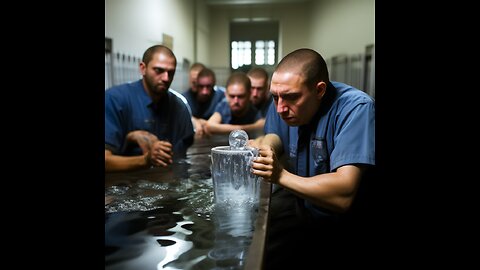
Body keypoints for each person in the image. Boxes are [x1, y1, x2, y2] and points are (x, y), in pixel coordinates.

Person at [250, 48, 375, 268]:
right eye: (275, 97)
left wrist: (279, 174)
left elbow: (343, 193)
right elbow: (275, 134)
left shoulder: (355, 108)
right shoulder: (282, 100)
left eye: (291, 97)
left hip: (344, 226)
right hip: (305, 214)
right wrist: (268, 147)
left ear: (319, 90)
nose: (280, 108)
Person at [105, 45, 194, 172]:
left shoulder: (179, 107)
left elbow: (181, 158)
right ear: (143, 68)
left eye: (171, 72)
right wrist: (145, 159)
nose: (166, 78)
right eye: (159, 70)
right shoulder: (114, 100)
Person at [205, 71, 264, 137]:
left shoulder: (254, 110)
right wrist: (242, 129)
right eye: (232, 96)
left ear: (249, 94)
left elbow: (261, 125)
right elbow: (210, 126)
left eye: (241, 96)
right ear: (226, 95)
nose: (236, 101)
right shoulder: (223, 106)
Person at [182, 67, 225, 137]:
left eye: (208, 86)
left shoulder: (222, 96)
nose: (204, 92)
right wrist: (194, 120)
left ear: (213, 85)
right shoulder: (184, 99)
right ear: (196, 85)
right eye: (201, 86)